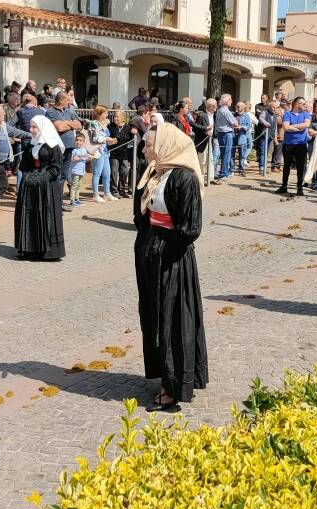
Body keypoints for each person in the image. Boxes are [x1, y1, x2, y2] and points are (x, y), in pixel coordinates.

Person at [133, 123, 207, 413]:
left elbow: (190, 228)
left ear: (165, 146)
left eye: (148, 145)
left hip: (172, 259)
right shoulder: (155, 172)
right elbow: (142, 216)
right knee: (153, 315)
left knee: (173, 318)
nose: (143, 149)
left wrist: (163, 248)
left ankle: (174, 385)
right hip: (152, 253)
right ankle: (163, 374)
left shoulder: (185, 179)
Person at [15, 115, 67, 260]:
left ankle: (49, 251)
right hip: (31, 186)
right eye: (30, 127)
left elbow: (56, 168)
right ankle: (30, 249)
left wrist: (40, 177)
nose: (31, 130)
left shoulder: (52, 146)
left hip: (47, 187)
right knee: (30, 214)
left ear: (42, 128)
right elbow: (24, 165)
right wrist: (29, 176)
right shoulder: (31, 145)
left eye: (34, 127)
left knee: (46, 215)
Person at [46, 92, 82, 197]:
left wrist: (66, 123)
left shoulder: (69, 111)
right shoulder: (50, 112)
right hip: (58, 148)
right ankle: (53, 199)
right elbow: (59, 128)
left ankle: (59, 200)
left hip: (70, 146)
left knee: (64, 174)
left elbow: (79, 125)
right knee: (57, 173)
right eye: (67, 99)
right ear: (61, 100)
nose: (69, 101)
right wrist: (71, 124)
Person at [277, 96, 312, 196]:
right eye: (303, 104)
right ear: (297, 104)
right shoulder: (287, 114)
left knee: (301, 167)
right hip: (288, 144)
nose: (305, 106)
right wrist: (298, 128)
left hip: (301, 144)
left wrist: (292, 127)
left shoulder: (305, 114)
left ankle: (299, 188)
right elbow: (285, 127)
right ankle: (284, 186)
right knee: (286, 166)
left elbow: (306, 125)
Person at [88, 104, 117, 201]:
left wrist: (111, 140)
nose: (107, 115)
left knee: (107, 173)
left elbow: (104, 138)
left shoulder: (103, 124)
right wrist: (107, 138)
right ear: (99, 114)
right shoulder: (94, 124)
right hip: (98, 152)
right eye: (105, 113)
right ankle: (95, 195)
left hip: (105, 151)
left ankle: (107, 193)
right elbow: (95, 138)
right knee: (97, 174)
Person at [213, 94, 240, 180]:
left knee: (224, 153)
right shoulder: (225, 111)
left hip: (221, 133)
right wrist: (236, 124)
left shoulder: (220, 110)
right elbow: (234, 123)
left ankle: (224, 172)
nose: (232, 101)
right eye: (230, 99)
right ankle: (224, 173)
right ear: (227, 101)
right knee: (227, 154)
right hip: (226, 133)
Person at [108, 109, 133, 198]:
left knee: (125, 171)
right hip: (113, 152)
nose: (115, 118)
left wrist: (134, 131)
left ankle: (122, 190)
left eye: (117, 117)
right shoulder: (110, 126)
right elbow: (107, 137)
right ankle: (114, 190)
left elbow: (132, 137)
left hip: (124, 153)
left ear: (123, 118)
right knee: (114, 171)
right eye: (114, 117)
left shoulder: (127, 128)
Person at [68, 133, 90, 205]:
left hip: (82, 171)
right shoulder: (73, 150)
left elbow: (86, 158)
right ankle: (72, 200)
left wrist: (89, 157)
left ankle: (77, 198)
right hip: (75, 171)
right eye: (77, 140)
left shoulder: (84, 150)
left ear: (83, 142)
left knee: (79, 186)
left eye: (80, 140)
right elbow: (71, 159)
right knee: (74, 186)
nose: (78, 142)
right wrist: (77, 158)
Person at [254, 95, 274, 174]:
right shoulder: (257, 105)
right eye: (261, 98)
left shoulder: (270, 110)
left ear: (267, 99)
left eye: (264, 98)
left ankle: (264, 166)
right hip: (260, 131)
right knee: (261, 150)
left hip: (269, 132)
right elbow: (259, 115)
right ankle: (261, 167)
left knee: (266, 151)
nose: (262, 99)